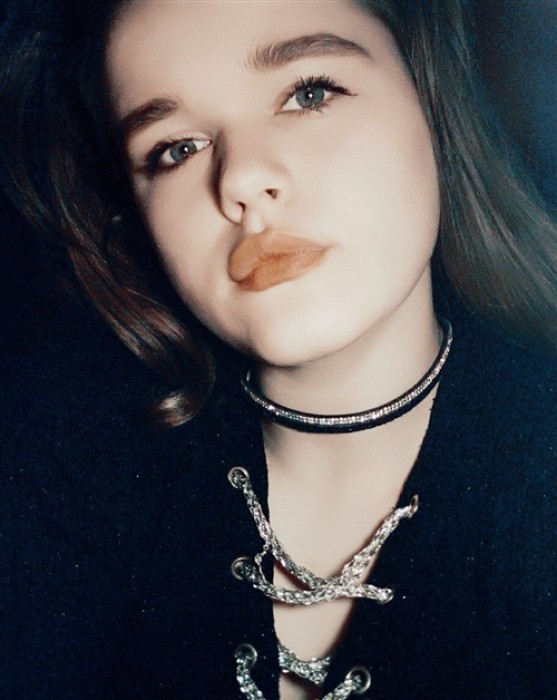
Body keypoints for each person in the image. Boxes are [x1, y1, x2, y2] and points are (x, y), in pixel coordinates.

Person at [0, 1, 556, 698]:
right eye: (176, 149)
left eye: (309, 93)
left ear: (430, 100)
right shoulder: (60, 454)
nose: (239, 180)